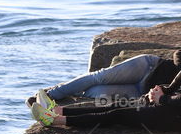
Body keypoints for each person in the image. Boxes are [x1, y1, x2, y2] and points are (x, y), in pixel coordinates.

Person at [33, 51, 181, 103]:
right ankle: (51, 94)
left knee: (94, 93)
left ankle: (67, 90)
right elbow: (177, 54)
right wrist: (171, 87)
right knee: (99, 77)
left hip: (141, 92)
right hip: (148, 67)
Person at [31, 83, 181, 131]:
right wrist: (161, 89)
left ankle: (55, 120)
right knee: (114, 105)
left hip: (174, 116)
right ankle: (58, 110)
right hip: (170, 104)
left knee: (117, 114)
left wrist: (163, 98)